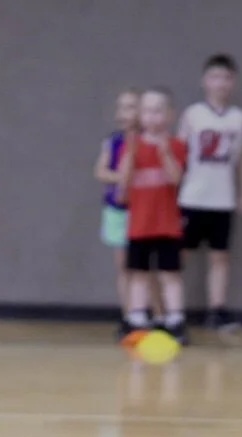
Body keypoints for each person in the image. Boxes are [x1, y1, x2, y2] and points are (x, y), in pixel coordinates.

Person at [177, 54, 242, 333]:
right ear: (204, 80)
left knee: (220, 256)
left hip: (222, 198)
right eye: (215, 76)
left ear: (233, 82)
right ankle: (173, 311)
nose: (220, 83)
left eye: (226, 77)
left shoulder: (238, 118)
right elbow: (179, 154)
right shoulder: (193, 114)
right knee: (180, 255)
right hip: (192, 196)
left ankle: (217, 309)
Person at [117, 88, 188, 344]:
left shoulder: (177, 145)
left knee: (170, 275)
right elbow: (123, 187)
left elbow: (175, 178)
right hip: (140, 225)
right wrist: (130, 153)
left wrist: (165, 151)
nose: (152, 116)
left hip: (167, 225)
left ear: (169, 115)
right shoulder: (131, 145)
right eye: (146, 110)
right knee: (139, 274)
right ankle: (136, 318)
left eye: (158, 110)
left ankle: (175, 319)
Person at [93, 88, 142, 336]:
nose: (126, 112)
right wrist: (120, 178)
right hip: (117, 210)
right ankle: (128, 315)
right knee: (124, 266)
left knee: (143, 267)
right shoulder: (112, 141)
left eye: (132, 106)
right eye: (122, 107)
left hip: (142, 211)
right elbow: (100, 171)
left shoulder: (147, 142)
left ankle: (150, 314)